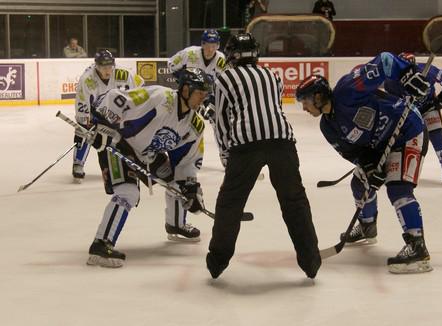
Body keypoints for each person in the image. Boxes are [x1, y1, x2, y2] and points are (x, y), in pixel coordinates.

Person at [295, 52, 433, 274]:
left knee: (398, 189)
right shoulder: (327, 127)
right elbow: (353, 153)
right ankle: (368, 226)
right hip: (380, 146)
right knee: (359, 183)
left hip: (408, 130)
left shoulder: (348, 89)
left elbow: (386, 60)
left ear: (319, 97)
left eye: (306, 102)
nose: (304, 108)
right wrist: (369, 166)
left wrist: (407, 74)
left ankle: (418, 247)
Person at [206, 33, 321, 279]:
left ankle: (217, 262)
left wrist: (227, 152)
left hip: (246, 144)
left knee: (230, 204)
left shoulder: (224, 78)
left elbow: (221, 121)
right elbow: (273, 109)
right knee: (294, 201)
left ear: (231, 54)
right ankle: (311, 261)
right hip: (282, 141)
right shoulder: (273, 76)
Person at [81, 68, 212, 268]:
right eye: (199, 93)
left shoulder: (194, 125)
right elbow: (115, 98)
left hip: (147, 153)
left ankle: (175, 224)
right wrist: (100, 125)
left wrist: (191, 190)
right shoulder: (160, 97)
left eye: (205, 95)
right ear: (186, 90)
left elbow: (185, 162)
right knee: (128, 192)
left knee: (178, 185)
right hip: (119, 143)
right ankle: (101, 244)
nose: (203, 99)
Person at [384, 52, 442, 183]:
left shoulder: (426, 71)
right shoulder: (390, 83)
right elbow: (391, 101)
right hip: (410, 113)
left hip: (428, 108)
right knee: (398, 139)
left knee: (436, 134)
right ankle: (392, 165)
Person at [72, 49, 144, 183]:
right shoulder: (87, 79)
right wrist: (84, 123)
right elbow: (82, 103)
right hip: (96, 111)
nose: (107, 70)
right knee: (84, 132)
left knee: (128, 135)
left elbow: (141, 88)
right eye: (103, 67)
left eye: (110, 66)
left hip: (118, 112)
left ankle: (133, 162)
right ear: (96, 66)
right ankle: (78, 163)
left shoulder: (124, 74)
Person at [167, 29, 227, 165]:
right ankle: (178, 154)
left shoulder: (221, 59)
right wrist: (185, 84)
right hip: (189, 96)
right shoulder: (189, 53)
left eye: (214, 45)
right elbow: (171, 64)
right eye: (208, 45)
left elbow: (223, 82)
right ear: (202, 44)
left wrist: (211, 102)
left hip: (208, 95)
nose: (211, 49)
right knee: (182, 122)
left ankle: (225, 155)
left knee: (218, 122)